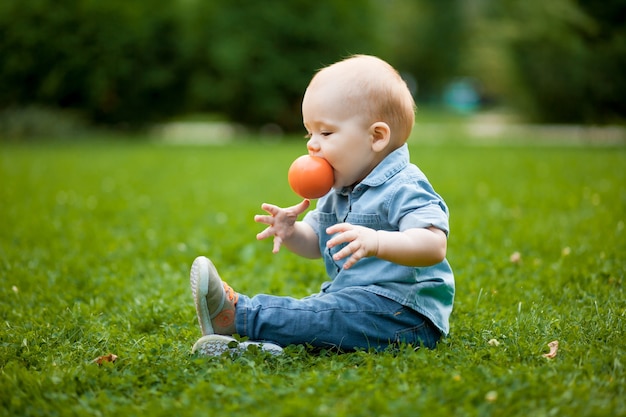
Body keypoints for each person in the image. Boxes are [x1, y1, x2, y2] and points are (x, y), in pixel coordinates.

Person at [190, 54, 454, 356]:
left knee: (325, 315)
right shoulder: (338, 188)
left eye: (326, 132)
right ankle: (254, 349)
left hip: (405, 314)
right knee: (321, 314)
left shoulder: (403, 185)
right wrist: (291, 232)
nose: (312, 144)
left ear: (377, 137)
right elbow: (316, 243)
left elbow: (434, 245)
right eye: (309, 132)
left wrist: (377, 241)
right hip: (354, 303)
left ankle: (237, 314)